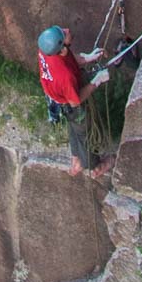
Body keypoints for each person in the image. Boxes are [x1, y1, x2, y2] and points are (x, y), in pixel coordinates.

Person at [37, 25, 112, 177]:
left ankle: (76, 161)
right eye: (64, 34)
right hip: (70, 104)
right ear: (62, 48)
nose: (67, 30)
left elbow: (68, 58)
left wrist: (88, 58)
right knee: (84, 133)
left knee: (73, 128)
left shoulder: (46, 49)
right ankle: (94, 167)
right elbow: (75, 102)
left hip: (57, 97)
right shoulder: (65, 77)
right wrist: (97, 81)